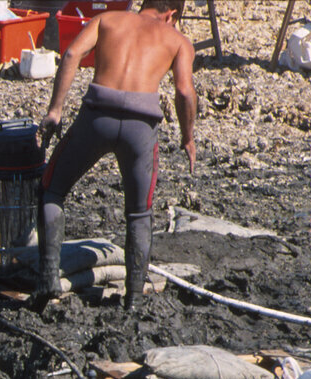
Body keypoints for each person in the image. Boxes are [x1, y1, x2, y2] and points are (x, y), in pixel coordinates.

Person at [34, 0, 197, 310]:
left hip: (95, 119)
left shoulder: (107, 19)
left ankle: (47, 280)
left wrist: (55, 110)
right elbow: (185, 91)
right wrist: (188, 138)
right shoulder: (177, 40)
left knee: (51, 190)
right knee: (139, 214)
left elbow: (71, 53)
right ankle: (134, 298)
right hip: (140, 130)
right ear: (173, 14)